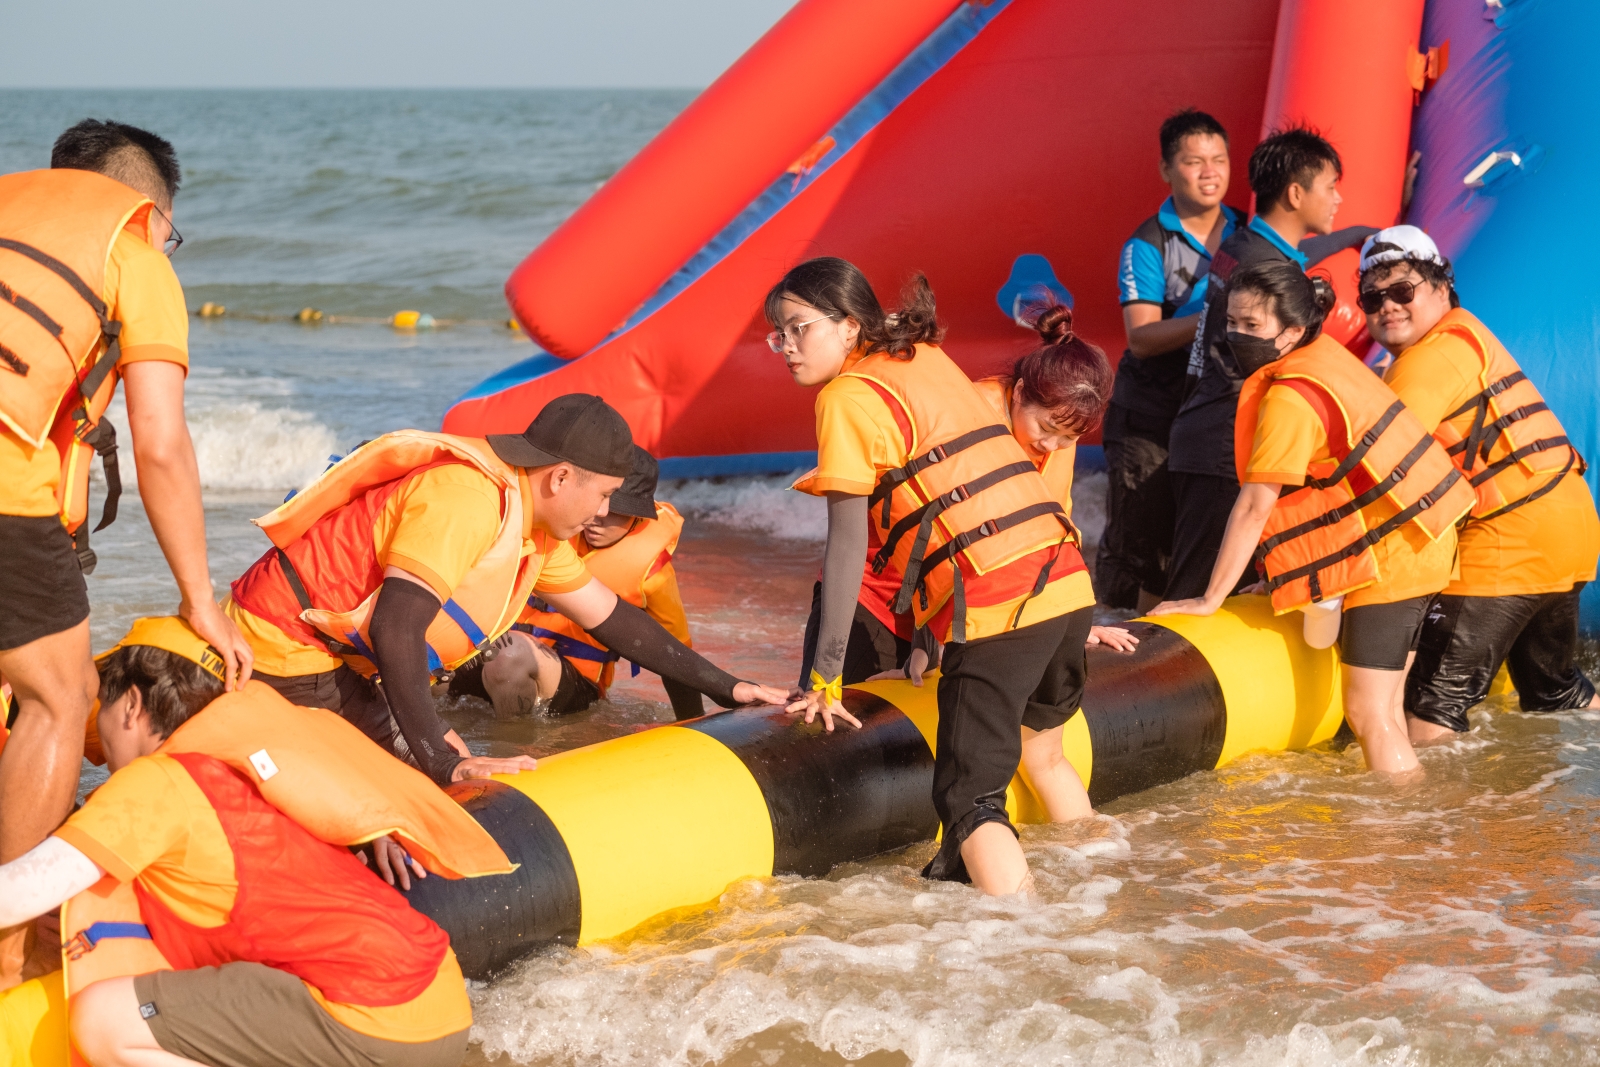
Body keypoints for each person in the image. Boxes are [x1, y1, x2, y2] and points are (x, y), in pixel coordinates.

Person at [0, 616, 505, 1067]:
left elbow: (17, 895)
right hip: (440, 1001)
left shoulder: (156, 782)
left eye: (102, 707)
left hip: (375, 1021)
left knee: (101, 1019)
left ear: (131, 704)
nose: (97, 732)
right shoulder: (250, 771)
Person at [225, 394, 787, 788]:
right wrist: (442, 759)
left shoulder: (534, 529)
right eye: (603, 495)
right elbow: (395, 625)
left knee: (447, 764)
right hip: (285, 652)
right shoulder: (467, 498)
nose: (602, 512)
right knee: (434, 781)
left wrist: (730, 688)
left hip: (332, 663)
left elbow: (613, 619)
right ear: (561, 477)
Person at [0, 119, 252, 987]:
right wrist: (201, 598)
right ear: (151, 208)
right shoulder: (133, 251)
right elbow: (160, 441)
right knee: (59, 698)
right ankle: (7, 953)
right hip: (6, 492)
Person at [771, 257, 1098, 896]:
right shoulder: (919, 355)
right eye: (776, 333)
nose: (785, 346)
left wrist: (826, 676)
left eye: (797, 328)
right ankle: (1108, 879)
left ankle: (1046, 946)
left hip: (1003, 601)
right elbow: (942, 507)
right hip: (1068, 584)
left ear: (845, 327)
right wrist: (926, 637)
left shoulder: (845, 397)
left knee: (969, 800)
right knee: (1043, 755)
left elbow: (848, 542)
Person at [1152, 261, 1474, 774]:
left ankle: (1405, 836)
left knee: (1369, 712)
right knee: (1387, 705)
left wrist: (1210, 598)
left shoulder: (1289, 397)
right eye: (1232, 322)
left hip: (1392, 561)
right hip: (1422, 540)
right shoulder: (1326, 358)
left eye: (1253, 326)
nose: (1237, 335)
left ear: (1295, 329)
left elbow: (1256, 504)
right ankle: (1407, 825)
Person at [797, 299, 1139, 689]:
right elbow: (935, 529)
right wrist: (927, 641)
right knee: (825, 712)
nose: (1053, 444)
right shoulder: (969, 413)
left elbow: (1048, 529)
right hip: (874, 595)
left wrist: (1065, 613)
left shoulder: (1058, 430)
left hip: (962, 603)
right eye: (1047, 428)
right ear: (1019, 392)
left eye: (1070, 437)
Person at [1358, 226, 1600, 736]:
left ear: (1442, 287)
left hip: (1511, 539)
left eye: (1403, 290)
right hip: (1569, 528)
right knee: (1558, 694)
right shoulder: (1467, 334)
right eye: (1373, 297)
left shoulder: (1425, 361)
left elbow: (1377, 473)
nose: (1388, 306)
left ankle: (1430, 815)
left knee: (1428, 713)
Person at [1164, 126, 1377, 601]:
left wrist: (1356, 235)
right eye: (1331, 187)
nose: (1338, 198)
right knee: (1195, 596)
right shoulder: (1261, 271)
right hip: (1226, 443)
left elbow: (1299, 254)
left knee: (1208, 587)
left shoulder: (1245, 248)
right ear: (1296, 193)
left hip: (1204, 431)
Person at [448, 445, 710, 722]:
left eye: (613, 509)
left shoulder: (654, 576)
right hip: (499, 659)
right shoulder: (549, 526)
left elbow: (676, 660)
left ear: (639, 515)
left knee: (509, 654)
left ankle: (512, 747)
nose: (598, 515)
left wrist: (694, 724)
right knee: (438, 654)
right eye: (596, 502)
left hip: (573, 684)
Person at [1101, 109, 1241, 612]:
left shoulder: (1245, 231)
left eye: (1219, 159)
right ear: (1166, 170)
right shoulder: (1146, 243)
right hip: (1148, 418)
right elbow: (1141, 337)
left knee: (1194, 537)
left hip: (1209, 414)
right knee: (1134, 542)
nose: (1209, 172)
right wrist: (1217, 316)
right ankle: (1107, 644)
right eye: (1193, 161)